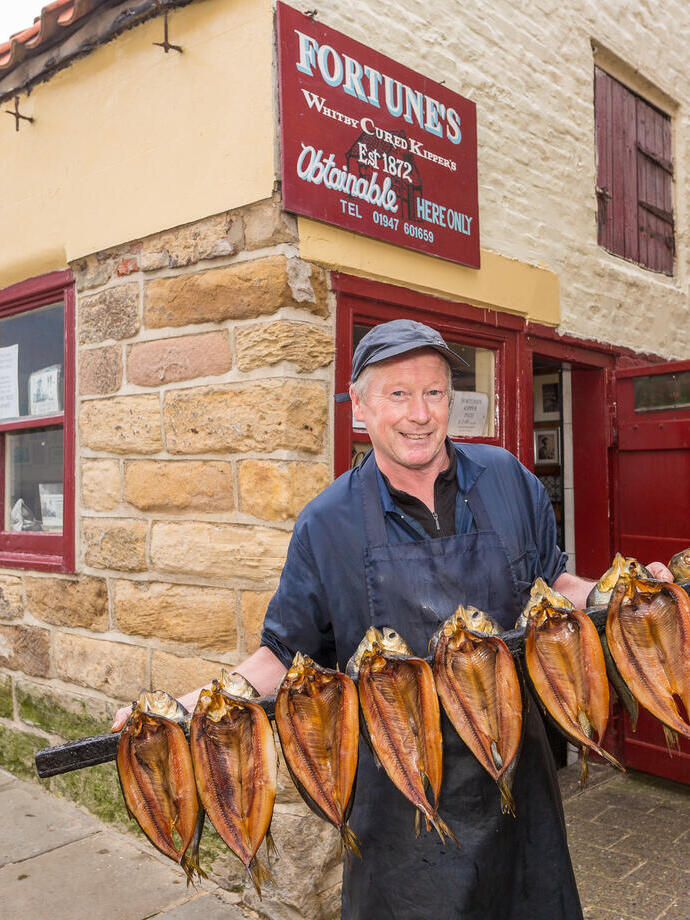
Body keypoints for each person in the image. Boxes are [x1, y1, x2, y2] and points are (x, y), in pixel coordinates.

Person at [112, 320, 672, 919]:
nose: (420, 414)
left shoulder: (507, 479)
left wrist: (612, 600)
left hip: (517, 781)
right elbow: (282, 653)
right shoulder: (326, 524)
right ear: (361, 406)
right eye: (398, 395)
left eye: (433, 393)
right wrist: (192, 706)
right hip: (401, 805)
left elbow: (553, 582)